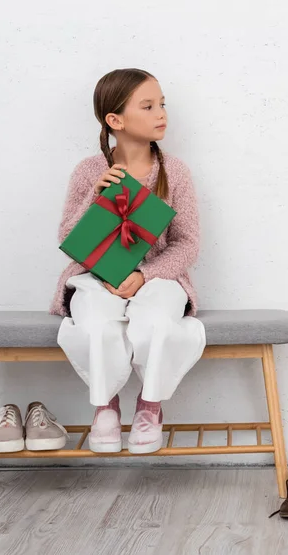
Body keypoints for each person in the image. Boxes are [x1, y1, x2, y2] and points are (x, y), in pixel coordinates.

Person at [50, 68, 206, 454]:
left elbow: (187, 244)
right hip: (96, 276)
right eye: (148, 105)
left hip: (159, 279)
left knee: (155, 320)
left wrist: (144, 274)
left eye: (162, 104)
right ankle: (105, 408)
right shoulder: (89, 170)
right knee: (97, 321)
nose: (161, 113)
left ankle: (150, 408)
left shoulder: (175, 172)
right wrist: (94, 195)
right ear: (115, 120)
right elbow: (68, 239)